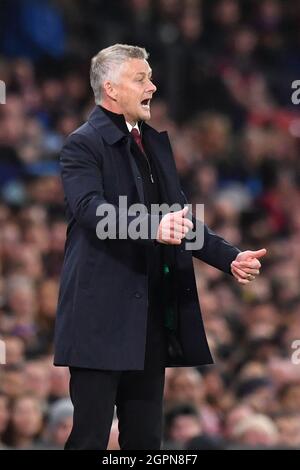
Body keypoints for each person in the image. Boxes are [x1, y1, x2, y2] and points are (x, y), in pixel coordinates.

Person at [53, 43, 266, 450]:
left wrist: (230, 257)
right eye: (141, 78)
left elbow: (180, 221)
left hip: (149, 318)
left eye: (150, 77)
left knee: (147, 441)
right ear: (111, 88)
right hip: (99, 319)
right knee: (90, 439)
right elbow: (88, 210)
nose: (152, 86)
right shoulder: (83, 144)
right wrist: (151, 225)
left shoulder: (151, 145)